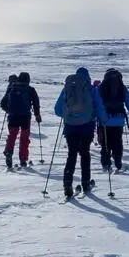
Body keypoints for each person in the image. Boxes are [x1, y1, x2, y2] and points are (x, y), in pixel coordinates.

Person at [53, 67, 99, 198]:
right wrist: (102, 119)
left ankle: (67, 184)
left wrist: (69, 115)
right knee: (85, 154)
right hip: (87, 127)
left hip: (70, 128)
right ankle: (85, 183)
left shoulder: (68, 88)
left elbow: (57, 110)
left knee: (71, 155)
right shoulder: (91, 89)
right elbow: (99, 106)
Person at [95, 68, 129, 173]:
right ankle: (117, 158)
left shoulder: (101, 87)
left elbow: (95, 101)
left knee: (105, 143)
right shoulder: (122, 88)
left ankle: (106, 164)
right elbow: (128, 100)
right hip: (118, 120)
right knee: (117, 141)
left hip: (104, 120)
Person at [0, 71, 42, 170]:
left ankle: (9, 151)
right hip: (25, 117)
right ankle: (23, 159)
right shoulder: (30, 90)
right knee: (24, 137)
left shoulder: (11, 88)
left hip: (13, 116)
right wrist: (37, 115)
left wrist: (9, 110)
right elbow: (36, 102)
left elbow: (3, 102)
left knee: (12, 134)